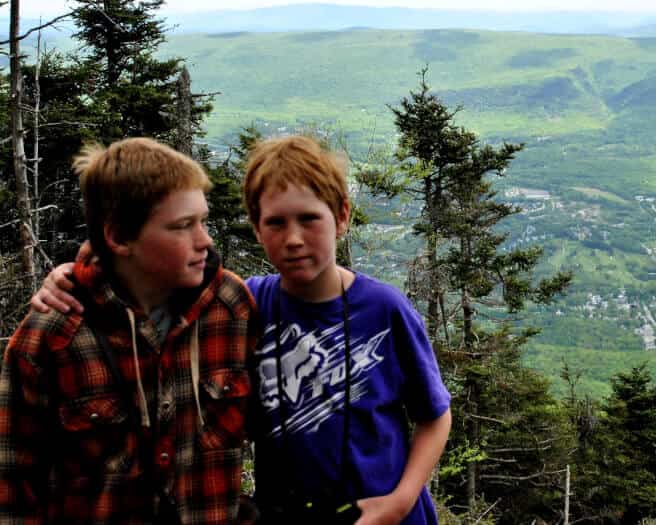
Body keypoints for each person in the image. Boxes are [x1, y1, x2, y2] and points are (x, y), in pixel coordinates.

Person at [31, 135, 452, 525]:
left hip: (388, 514)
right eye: (275, 223)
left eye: (309, 219)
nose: (293, 239)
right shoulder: (242, 306)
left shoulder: (384, 309)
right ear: (255, 227)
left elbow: (434, 415)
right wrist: (77, 276)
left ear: (341, 216)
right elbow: (142, 281)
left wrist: (401, 499)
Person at [1, 138, 258, 525]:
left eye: (202, 221)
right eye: (183, 226)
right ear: (120, 237)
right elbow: (13, 491)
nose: (205, 240)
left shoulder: (230, 307)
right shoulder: (54, 336)